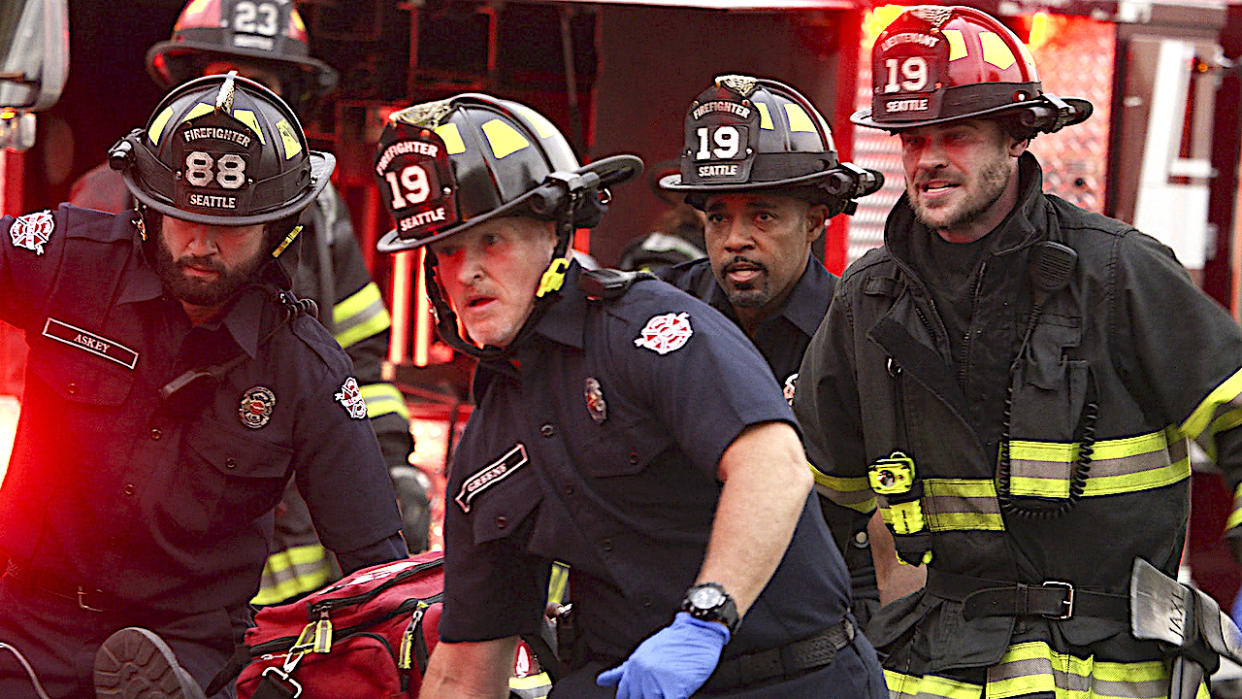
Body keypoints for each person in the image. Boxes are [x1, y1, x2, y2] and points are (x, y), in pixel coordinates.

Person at [371, 94, 886, 698]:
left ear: (553, 232)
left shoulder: (649, 329)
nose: (466, 273)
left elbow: (774, 469)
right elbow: (465, 667)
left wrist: (704, 620)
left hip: (791, 680)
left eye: (494, 241)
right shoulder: (486, 444)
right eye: (448, 251)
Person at [795, 5, 1242, 696]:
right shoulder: (870, 299)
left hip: (1112, 668)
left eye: (957, 134)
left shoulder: (1116, 273)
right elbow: (816, 497)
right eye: (913, 139)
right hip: (935, 669)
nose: (930, 159)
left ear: (1015, 138)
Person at [0, 73, 406, 699]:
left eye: (234, 229)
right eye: (181, 219)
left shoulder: (306, 371)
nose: (202, 245)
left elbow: (378, 572)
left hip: (185, 653)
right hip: (23, 624)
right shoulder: (70, 261)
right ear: (147, 208)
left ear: (280, 230)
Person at [67, 0, 429, 602]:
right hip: (135, 538)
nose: (237, 103)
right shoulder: (112, 193)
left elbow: (359, 357)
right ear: (183, 92)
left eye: (260, 84)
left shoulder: (321, 210)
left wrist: (391, 466)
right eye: (217, 80)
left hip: (285, 546)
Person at [656, 75, 884, 627]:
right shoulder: (659, 319)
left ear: (813, 222)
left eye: (762, 216)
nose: (735, 239)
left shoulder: (855, 331)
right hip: (676, 608)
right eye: (718, 217)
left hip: (819, 621)